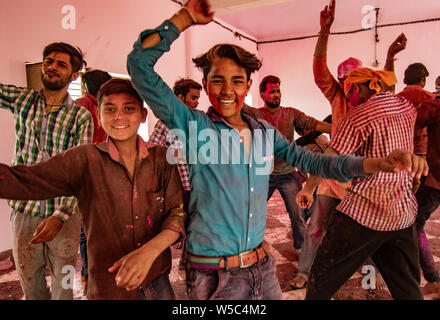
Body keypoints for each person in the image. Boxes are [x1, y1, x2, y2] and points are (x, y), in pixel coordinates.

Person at [126, 0, 427, 300]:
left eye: (237, 81)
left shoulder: (263, 134)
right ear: (205, 85)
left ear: (246, 86)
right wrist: (184, 17)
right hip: (214, 275)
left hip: (262, 269)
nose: (227, 90)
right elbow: (138, 66)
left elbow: (318, 163)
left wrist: (377, 164)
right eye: (217, 81)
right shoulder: (193, 126)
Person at [0, 79, 187, 300]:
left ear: (143, 115)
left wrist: (149, 252)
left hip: (157, 281)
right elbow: (25, 180)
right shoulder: (83, 160)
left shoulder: (162, 159)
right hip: (108, 286)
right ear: (98, 115)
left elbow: (178, 213)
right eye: (110, 109)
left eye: (128, 108)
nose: (119, 116)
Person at [290, 0, 407, 291]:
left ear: (367, 84)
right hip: (333, 180)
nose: (345, 87)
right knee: (316, 228)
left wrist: (391, 55)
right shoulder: (339, 97)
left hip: (365, 185)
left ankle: (367, 278)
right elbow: (319, 70)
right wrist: (324, 31)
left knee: (365, 235)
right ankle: (304, 273)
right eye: (342, 81)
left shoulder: (379, 104)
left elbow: (389, 86)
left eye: (350, 82)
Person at [305, 67, 427, 300]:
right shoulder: (407, 107)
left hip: (364, 213)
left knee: (322, 277)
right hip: (402, 213)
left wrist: (309, 188)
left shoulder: (358, 116)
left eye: (349, 90)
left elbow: (329, 159)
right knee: (407, 286)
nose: (349, 96)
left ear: (360, 88)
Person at [0, 42, 93, 300]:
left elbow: (80, 174)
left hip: (62, 214)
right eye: (48, 61)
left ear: (74, 75)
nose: (52, 67)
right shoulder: (23, 100)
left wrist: (60, 216)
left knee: (63, 287)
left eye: (61, 64)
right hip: (24, 211)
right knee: (31, 286)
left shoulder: (80, 117)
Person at [243, 75, 331, 253]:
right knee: (249, 213)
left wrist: (337, 127)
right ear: (262, 94)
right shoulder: (257, 114)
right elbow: (238, 106)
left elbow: (311, 122)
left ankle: (301, 248)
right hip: (262, 175)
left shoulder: (290, 113)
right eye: (272, 92)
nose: (276, 94)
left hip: (288, 174)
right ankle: (246, 248)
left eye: (278, 91)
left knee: (297, 215)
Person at [76, 69, 112, 291]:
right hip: (90, 172)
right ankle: (90, 272)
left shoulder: (97, 104)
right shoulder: (83, 107)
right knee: (88, 228)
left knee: (93, 227)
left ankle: (92, 271)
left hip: (96, 171)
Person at [414, 98, 440, 291]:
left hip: (435, 180)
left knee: (415, 223)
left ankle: (432, 277)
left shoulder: (433, 107)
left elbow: (414, 122)